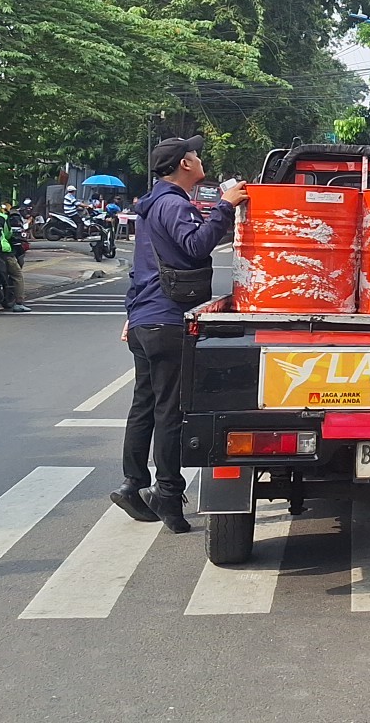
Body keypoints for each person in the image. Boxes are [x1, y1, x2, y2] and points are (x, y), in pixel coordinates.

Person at [111, 136, 247, 533]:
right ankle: (168, 493)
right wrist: (226, 206)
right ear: (185, 164)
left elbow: (140, 269)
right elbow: (196, 245)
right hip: (167, 320)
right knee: (170, 410)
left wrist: (133, 314)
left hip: (146, 318)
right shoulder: (173, 203)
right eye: (196, 155)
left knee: (144, 404)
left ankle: (133, 483)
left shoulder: (150, 205)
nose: (200, 159)